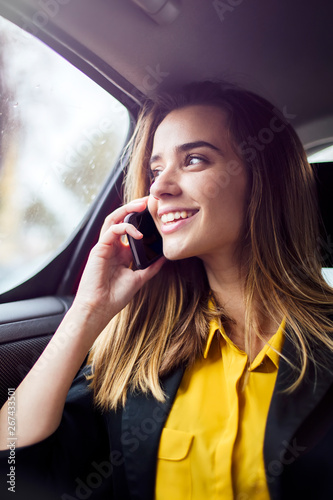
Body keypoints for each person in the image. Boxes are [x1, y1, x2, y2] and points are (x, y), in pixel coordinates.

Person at [0, 81, 333, 500]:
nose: (159, 188)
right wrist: (88, 310)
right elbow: (11, 468)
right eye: (156, 170)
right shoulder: (141, 352)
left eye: (193, 160)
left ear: (264, 180)